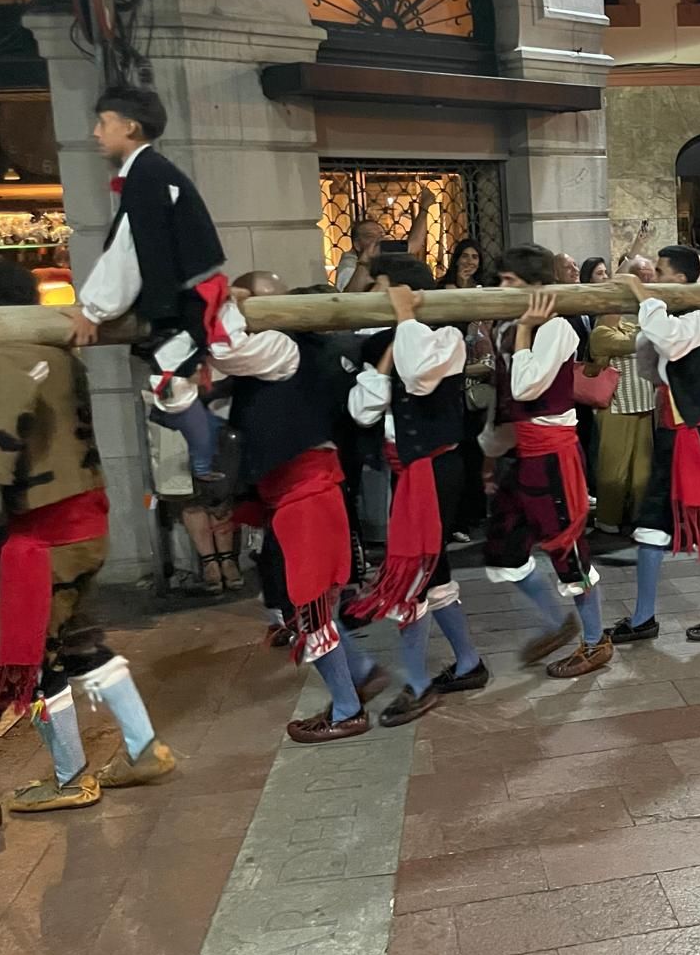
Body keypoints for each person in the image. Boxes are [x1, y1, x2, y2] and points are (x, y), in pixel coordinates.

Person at [0, 263, 176, 810]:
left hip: (45, 536)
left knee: (31, 661)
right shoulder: (56, 355)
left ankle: (70, 778)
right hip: (83, 522)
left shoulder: (11, 360)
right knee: (83, 644)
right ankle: (144, 749)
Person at [223, 270, 387, 744]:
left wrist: (226, 302)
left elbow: (223, 348)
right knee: (314, 607)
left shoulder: (280, 346)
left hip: (307, 495)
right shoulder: (290, 351)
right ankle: (361, 671)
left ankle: (348, 708)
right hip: (301, 495)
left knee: (312, 610)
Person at [68, 85, 231, 493]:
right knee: (173, 387)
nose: (95, 132)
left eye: (103, 123)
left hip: (186, 303)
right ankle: (206, 452)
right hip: (188, 298)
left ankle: (207, 454)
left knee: (172, 385)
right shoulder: (153, 173)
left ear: (130, 126)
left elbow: (130, 251)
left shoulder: (148, 177)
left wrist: (94, 310)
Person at [346, 258, 489, 725]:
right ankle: (468, 663)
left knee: (415, 574)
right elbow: (363, 413)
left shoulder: (445, 335)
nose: (374, 297)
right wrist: (386, 348)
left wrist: (405, 318)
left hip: (436, 468)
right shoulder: (381, 342)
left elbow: (420, 376)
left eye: (382, 290)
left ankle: (419, 683)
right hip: (403, 471)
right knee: (434, 571)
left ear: (405, 293)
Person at [481, 245, 608, 678]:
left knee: (567, 548)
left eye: (511, 282)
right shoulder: (509, 327)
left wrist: (522, 333)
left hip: (552, 454)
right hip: (521, 452)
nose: (503, 289)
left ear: (537, 287)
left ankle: (595, 641)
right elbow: (505, 399)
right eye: (500, 281)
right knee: (502, 547)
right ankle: (558, 621)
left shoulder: (555, 329)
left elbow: (526, 386)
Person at [612, 247, 700, 643]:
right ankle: (643, 617)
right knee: (650, 526)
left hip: (695, 436)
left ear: (683, 280)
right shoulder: (671, 312)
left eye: (660, 272)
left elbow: (669, 345)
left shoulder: (698, 312)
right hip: (672, 434)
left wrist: (641, 294)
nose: (653, 279)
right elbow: (648, 365)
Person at [590, 303, 658, 534]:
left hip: (643, 404)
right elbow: (633, 343)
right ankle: (608, 517)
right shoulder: (600, 334)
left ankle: (639, 514)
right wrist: (652, 328)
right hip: (617, 406)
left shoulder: (628, 326)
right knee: (614, 467)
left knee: (642, 468)